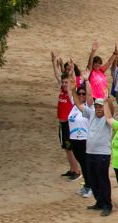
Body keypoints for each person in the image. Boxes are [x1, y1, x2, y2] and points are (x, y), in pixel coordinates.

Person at [69, 68, 114, 217]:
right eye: (98, 106)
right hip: (90, 152)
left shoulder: (108, 118)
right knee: (93, 179)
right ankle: (99, 201)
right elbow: (78, 103)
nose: (99, 109)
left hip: (102, 154)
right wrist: (73, 90)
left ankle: (107, 204)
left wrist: (107, 100)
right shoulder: (92, 113)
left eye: (101, 106)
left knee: (102, 179)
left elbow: (111, 111)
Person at [52, 53, 82, 181]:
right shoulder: (62, 90)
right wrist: (54, 62)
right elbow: (57, 75)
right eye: (63, 82)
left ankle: (77, 171)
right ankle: (71, 169)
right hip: (62, 124)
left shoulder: (71, 92)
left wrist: (71, 68)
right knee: (66, 148)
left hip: (69, 125)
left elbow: (72, 79)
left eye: (66, 82)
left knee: (70, 149)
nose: (64, 84)